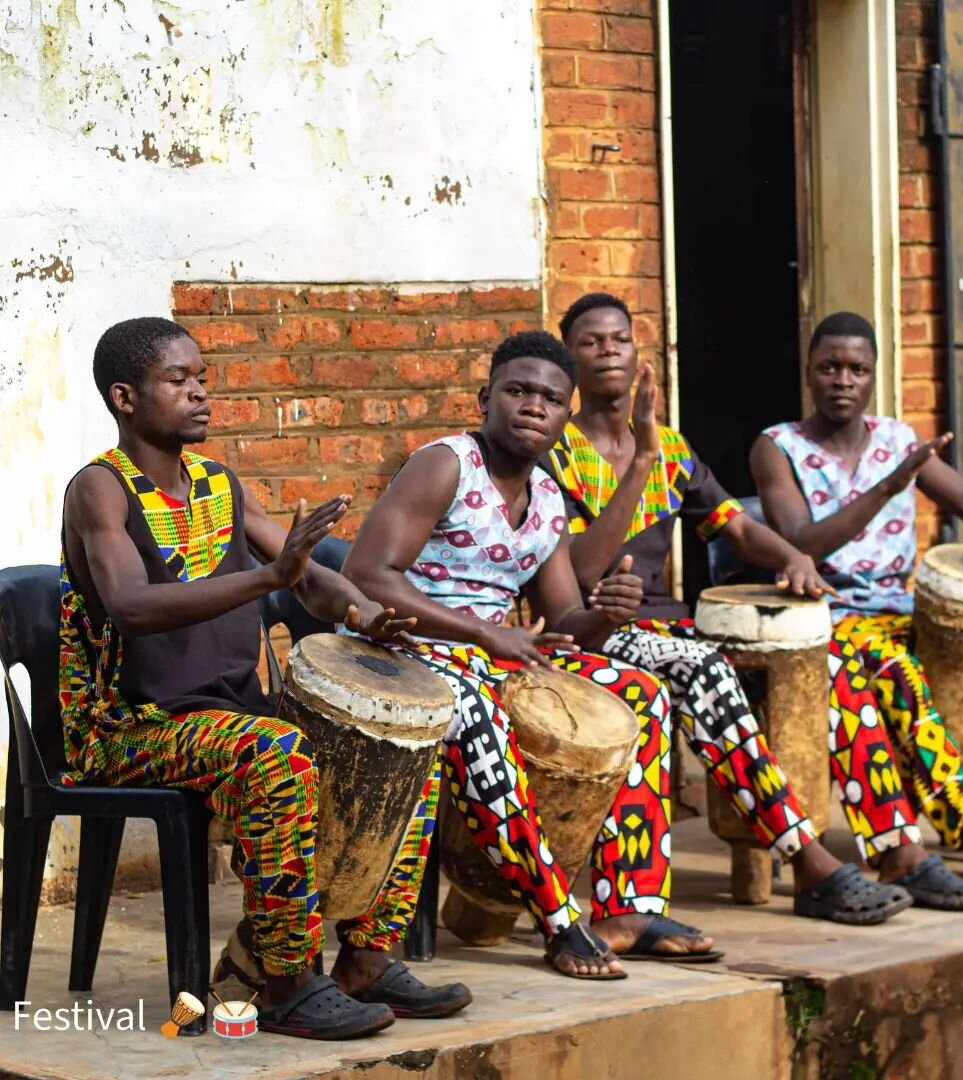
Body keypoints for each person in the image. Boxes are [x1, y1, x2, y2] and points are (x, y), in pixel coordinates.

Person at [343, 328, 909, 985]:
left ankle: (631, 907)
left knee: (642, 691)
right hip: (416, 649)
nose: (532, 406)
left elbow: (563, 620)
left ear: (563, 417)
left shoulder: (547, 500)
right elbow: (369, 571)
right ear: (484, 399)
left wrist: (606, 612)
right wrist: (483, 633)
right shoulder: (446, 463)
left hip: (496, 654)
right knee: (477, 714)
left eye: (549, 399)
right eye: (517, 391)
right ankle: (560, 919)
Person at [60, 317, 471, 1040]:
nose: (199, 394)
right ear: (125, 397)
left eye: (202, 378)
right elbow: (129, 607)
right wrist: (266, 581)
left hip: (228, 713)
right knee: (278, 755)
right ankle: (283, 980)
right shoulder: (101, 491)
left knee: (405, 745)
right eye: (177, 381)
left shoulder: (221, 485)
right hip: (134, 728)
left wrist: (365, 613)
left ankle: (367, 960)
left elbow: (306, 579)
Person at [551, 293, 963, 912]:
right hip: (595, 627)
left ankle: (896, 848)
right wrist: (640, 464)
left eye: (618, 339)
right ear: (569, 359)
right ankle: (807, 860)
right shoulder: (556, 453)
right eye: (590, 341)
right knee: (704, 671)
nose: (606, 351)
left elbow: (734, 525)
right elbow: (575, 573)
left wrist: (790, 557)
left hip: (672, 623)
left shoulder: (671, 450)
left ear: (636, 350)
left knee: (828, 663)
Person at [751, 310, 963, 880]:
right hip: (832, 614)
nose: (843, 380)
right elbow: (802, 542)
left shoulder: (898, 441)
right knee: (894, 668)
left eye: (857, 368)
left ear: (874, 374)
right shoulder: (777, 447)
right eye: (829, 366)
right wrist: (888, 486)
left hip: (902, 607)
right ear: (809, 371)